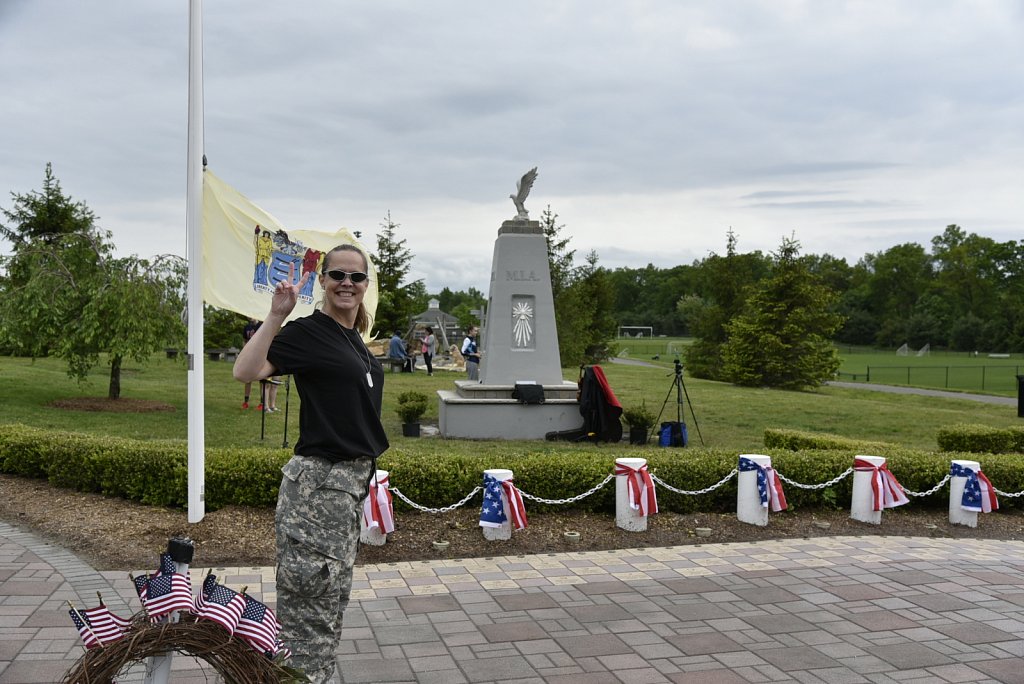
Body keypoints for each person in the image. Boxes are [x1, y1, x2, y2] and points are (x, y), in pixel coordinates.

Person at [233, 244, 388, 684]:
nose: (347, 283)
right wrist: (276, 315)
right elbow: (246, 372)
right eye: (337, 275)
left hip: (345, 492)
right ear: (322, 281)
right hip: (318, 492)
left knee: (327, 612)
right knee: (307, 627)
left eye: (356, 277)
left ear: (365, 286)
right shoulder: (309, 332)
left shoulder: (352, 337)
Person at [241, 318, 261, 408]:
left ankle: (262, 403)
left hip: (259, 354)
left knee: (262, 379)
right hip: (249, 354)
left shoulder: (262, 325)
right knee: (247, 379)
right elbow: (245, 340)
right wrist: (244, 352)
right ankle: (246, 401)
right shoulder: (247, 327)